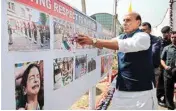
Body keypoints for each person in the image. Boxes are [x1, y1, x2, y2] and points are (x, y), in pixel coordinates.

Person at [75, 12, 157, 110]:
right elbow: (106, 43)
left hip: (141, 92)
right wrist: (86, 39)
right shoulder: (122, 37)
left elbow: (124, 45)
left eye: (128, 20)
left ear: (138, 22)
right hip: (122, 89)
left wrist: (93, 41)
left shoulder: (143, 37)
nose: (125, 23)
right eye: (124, 20)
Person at [160, 31, 176, 110]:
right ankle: (170, 106)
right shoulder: (167, 48)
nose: (174, 39)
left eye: (175, 37)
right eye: (172, 37)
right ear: (170, 38)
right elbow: (162, 60)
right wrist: (165, 67)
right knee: (168, 90)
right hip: (168, 72)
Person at [156, 26, 172, 107]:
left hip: (171, 66)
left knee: (169, 84)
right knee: (161, 83)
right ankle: (159, 99)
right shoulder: (161, 42)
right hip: (163, 66)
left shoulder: (171, 40)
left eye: (167, 33)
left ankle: (167, 100)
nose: (166, 35)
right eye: (165, 33)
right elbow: (160, 55)